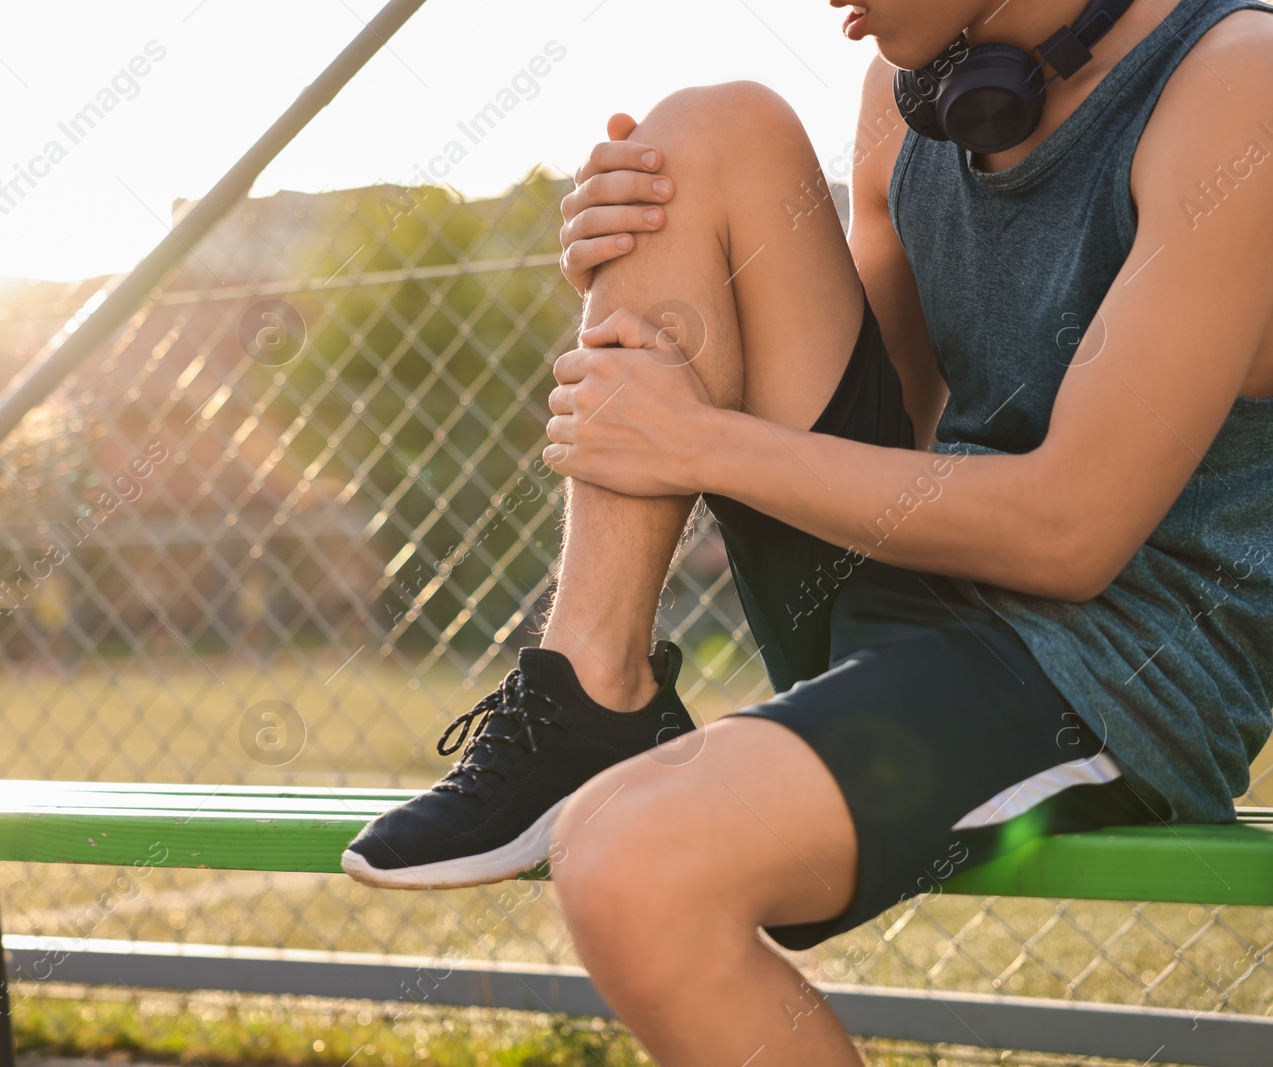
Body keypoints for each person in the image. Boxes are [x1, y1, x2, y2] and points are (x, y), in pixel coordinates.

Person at [344, 0, 1273, 1059]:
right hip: (915, 572)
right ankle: (587, 696)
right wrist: (651, 267)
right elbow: (874, 412)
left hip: (1104, 674)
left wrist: (691, 441)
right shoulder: (912, 88)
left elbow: (1070, 533)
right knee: (698, 139)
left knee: (632, 861)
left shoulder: (1237, 85)